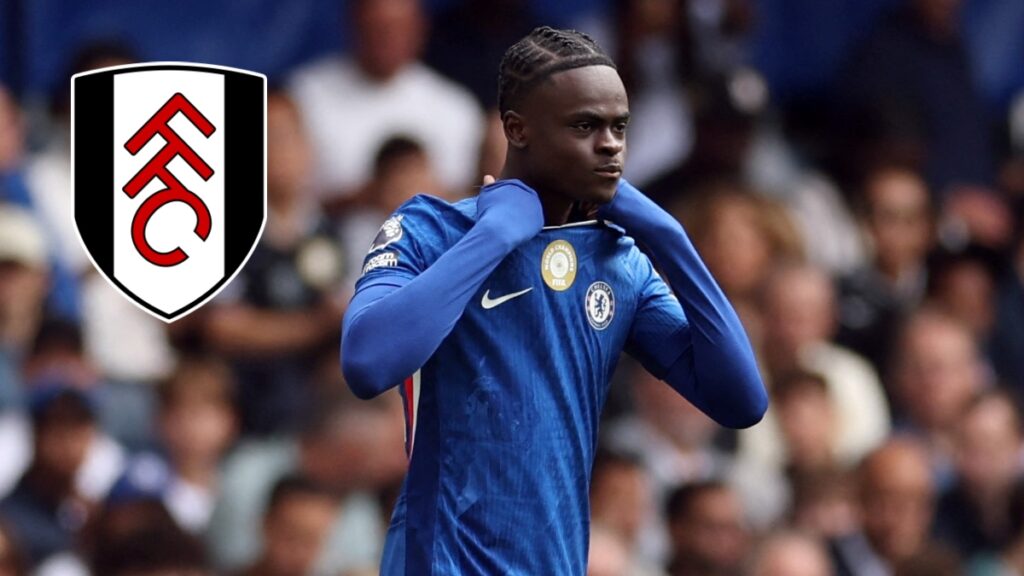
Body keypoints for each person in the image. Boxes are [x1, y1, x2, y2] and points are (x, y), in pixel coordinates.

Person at [340, 26, 767, 574]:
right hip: (439, 562)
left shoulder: (619, 260)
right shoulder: (432, 229)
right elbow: (367, 362)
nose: (610, 144)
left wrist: (669, 236)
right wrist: (495, 236)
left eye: (619, 126)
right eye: (585, 126)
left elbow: (741, 401)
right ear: (517, 129)